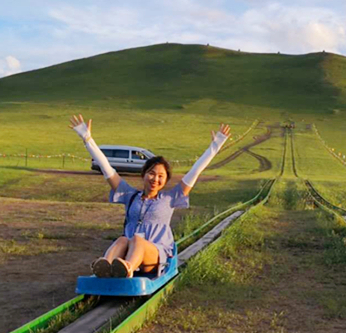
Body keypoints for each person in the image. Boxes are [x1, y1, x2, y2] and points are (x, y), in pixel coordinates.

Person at [69, 114, 230, 278]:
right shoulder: (130, 195)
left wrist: (214, 148)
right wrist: (88, 140)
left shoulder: (170, 198)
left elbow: (195, 172)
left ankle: (128, 269)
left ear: (166, 180)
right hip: (129, 248)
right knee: (122, 240)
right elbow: (107, 169)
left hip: (155, 255)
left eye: (161, 176)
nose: (155, 179)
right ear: (144, 174)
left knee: (137, 240)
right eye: (151, 173)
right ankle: (105, 267)